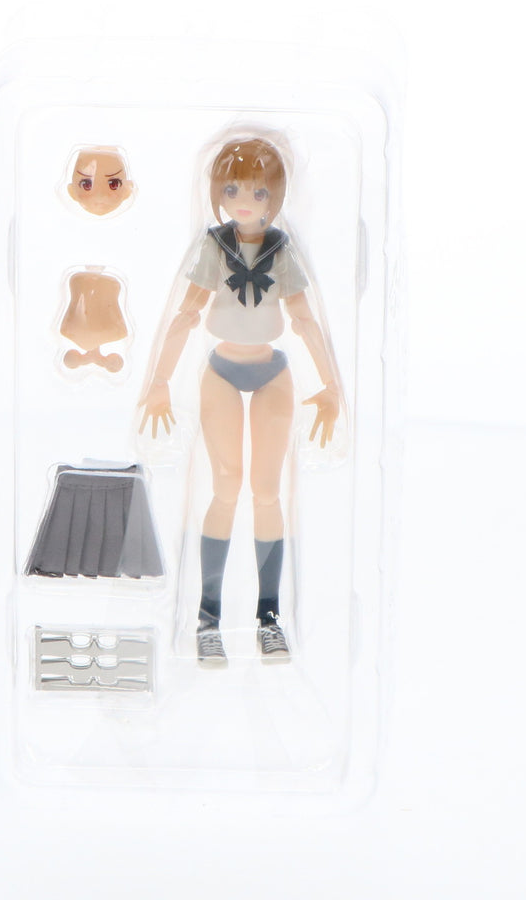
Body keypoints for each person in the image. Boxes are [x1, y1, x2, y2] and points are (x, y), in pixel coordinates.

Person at [138, 135, 342, 665]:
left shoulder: (281, 250)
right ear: (218, 194)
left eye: (257, 191)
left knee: (268, 492)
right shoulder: (214, 247)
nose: (245, 201)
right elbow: (186, 315)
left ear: (275, 197)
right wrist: (159, 381)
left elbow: (304, 319)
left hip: (272, 371)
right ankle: (208, 619)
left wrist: (332, 385)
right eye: (232, 190)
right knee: (225, 485)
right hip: (221, 372)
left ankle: (268, 618)